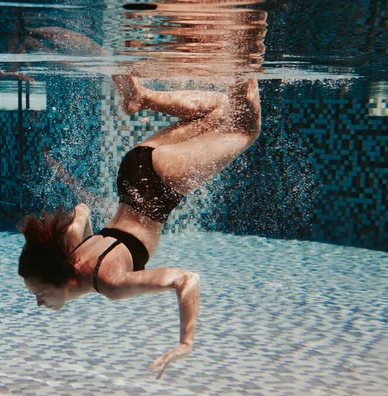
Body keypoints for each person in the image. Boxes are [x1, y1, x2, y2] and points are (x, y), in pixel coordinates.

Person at [18, 74, 261, 379]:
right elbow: (81, 210)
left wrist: (185, 342)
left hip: (158, 187)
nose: (39, 303)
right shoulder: (74, 252)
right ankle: (142, 97)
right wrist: (76, 230)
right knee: (223, 110)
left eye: (39, 294)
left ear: (61, 278)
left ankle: (241, 64)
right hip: (132, 172)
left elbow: (187, 280)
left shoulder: (110, 284)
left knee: (247, 129)